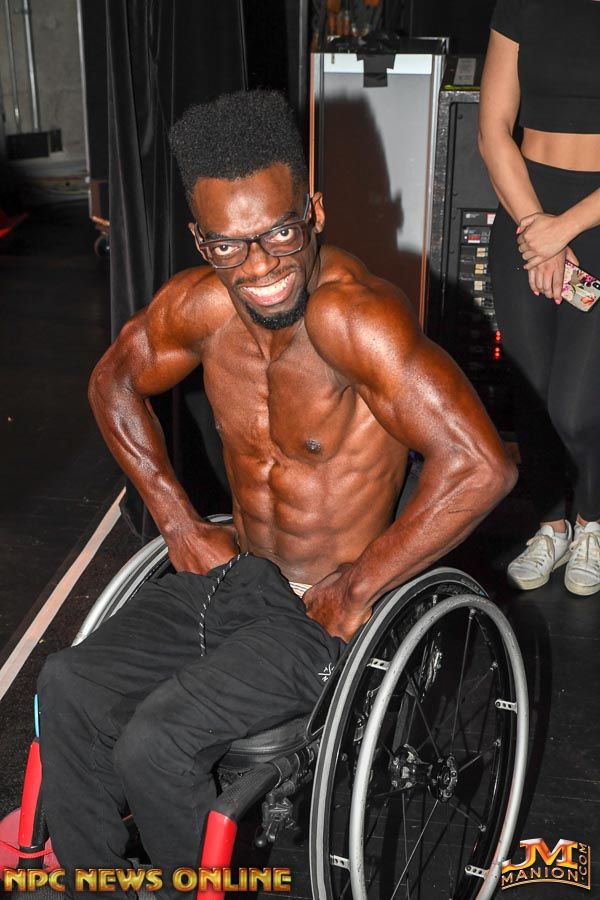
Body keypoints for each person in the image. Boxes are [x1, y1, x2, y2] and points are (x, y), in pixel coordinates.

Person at [37, 89, 515, 898]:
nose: (259, 267)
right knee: (67, 684)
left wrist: (358, 585)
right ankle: (98, 882)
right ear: (202, 241)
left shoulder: (355, 320)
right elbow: (112, 381)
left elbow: (481, 464)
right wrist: (176, 521)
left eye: (280, 233)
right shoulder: (199, 307)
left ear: (314, 212)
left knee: (156, 743)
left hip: (322, 614)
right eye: (229, 245)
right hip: (236, 581)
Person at [479, 0, 600, 594]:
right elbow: (492, 129)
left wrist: (564, 229)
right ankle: (551, 524)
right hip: (526, 207)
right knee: (532, 390)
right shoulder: (523, 4)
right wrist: (536, 229)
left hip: (594, 218)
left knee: (576, 406)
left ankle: (593, 521)